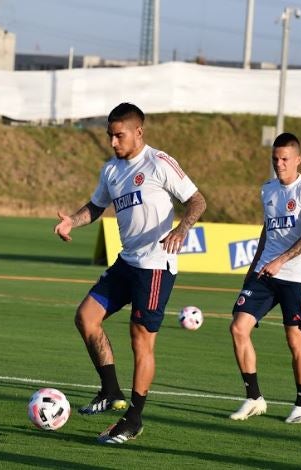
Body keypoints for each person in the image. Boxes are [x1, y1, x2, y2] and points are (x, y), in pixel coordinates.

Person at [54, 102, 207, 444]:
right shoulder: (111, 170)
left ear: (139, 132)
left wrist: (182, 229)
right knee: (86, 318)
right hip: (127, 262)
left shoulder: (159, 162)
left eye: (119, 135)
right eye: (109, 135)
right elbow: (96, 206)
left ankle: (134, 418)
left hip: (155, 265)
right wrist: (72, 221)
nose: (113, 142)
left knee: (140, 338)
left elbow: (197, 201)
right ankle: (110, 391)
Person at [228, 132, 301, 424]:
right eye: (275, 159)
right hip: (264, 273)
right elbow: (267, 230)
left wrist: (280, 261)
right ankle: (254, 398)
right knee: (238, 328)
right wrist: (253, 268)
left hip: (295, 276)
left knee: (295, 341)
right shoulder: (267, 190)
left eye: (284, 159)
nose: (279, 164)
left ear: (298, 160)